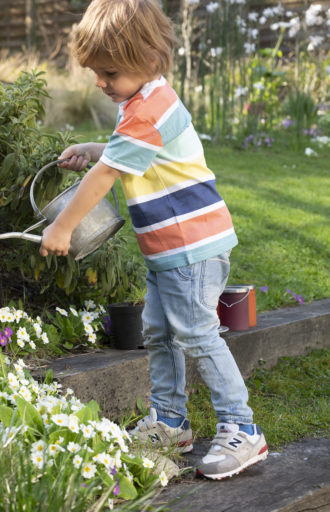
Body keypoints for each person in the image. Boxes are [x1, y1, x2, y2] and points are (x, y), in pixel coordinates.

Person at [38, 0, 267, 480]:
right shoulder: (143, 103)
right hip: (168, 251)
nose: (100, 82)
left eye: (109, 71)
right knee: (161, 333)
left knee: (198, 335)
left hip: (190, 248)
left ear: (147, 58)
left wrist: (62, 226)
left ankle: (243, 429)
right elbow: (128, 156)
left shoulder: (149, 107)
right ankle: (170, 422)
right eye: (97, 72)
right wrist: (94, 148)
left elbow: (106, 178)